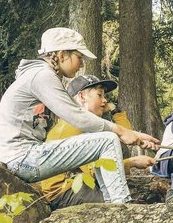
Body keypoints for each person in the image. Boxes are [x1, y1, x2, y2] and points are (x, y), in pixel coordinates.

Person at [0, 27, 159, 204]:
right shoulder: (41, 75)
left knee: (104, 141)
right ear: (62, 54)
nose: (81, 65)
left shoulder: (39, 76)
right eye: (79, 58)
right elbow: (77, 116)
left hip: (21, 158)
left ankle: (113, 205)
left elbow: (78, 114)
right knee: (107, 140)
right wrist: (119, 131)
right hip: (21, 158)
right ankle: (121, 205)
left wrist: (136, 136)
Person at [40, 75, 156, 210]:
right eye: (99, 95)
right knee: (116, 208)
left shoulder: (85, 124)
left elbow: (125, 137)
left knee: (118, 146)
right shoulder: (73, 126)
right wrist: (133, 162)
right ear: (82, 96)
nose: (105, 100)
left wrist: (116, 112)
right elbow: (94, 169)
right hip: (65, 191)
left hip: (80, 184)